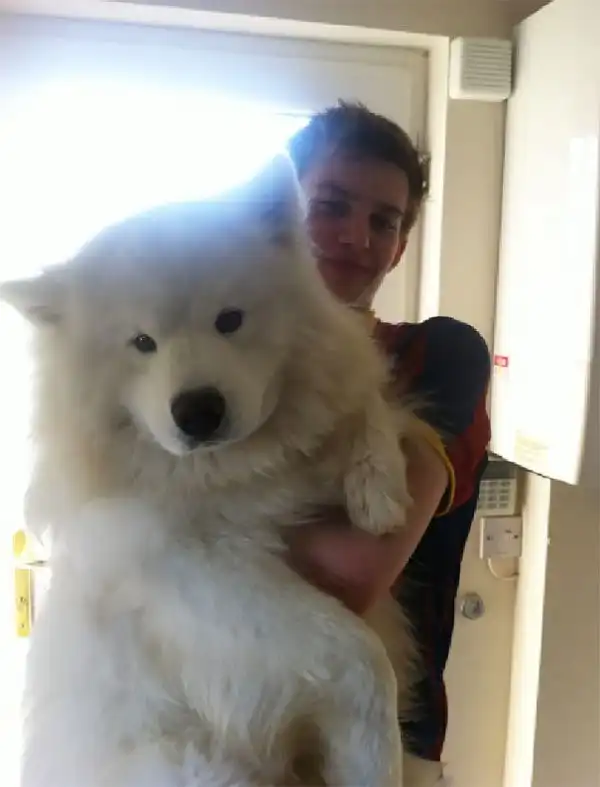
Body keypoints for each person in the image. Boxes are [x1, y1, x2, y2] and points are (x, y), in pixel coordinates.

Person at [285, 102, 492, 784]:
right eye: (330, 206)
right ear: (280, 213)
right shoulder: (226, 362)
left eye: (384, 221)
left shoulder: (438, 355)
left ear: (401, 246)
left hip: (380, 735)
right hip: (217, 713)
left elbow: (353, 571)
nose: (356, 236)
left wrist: (194, 541)